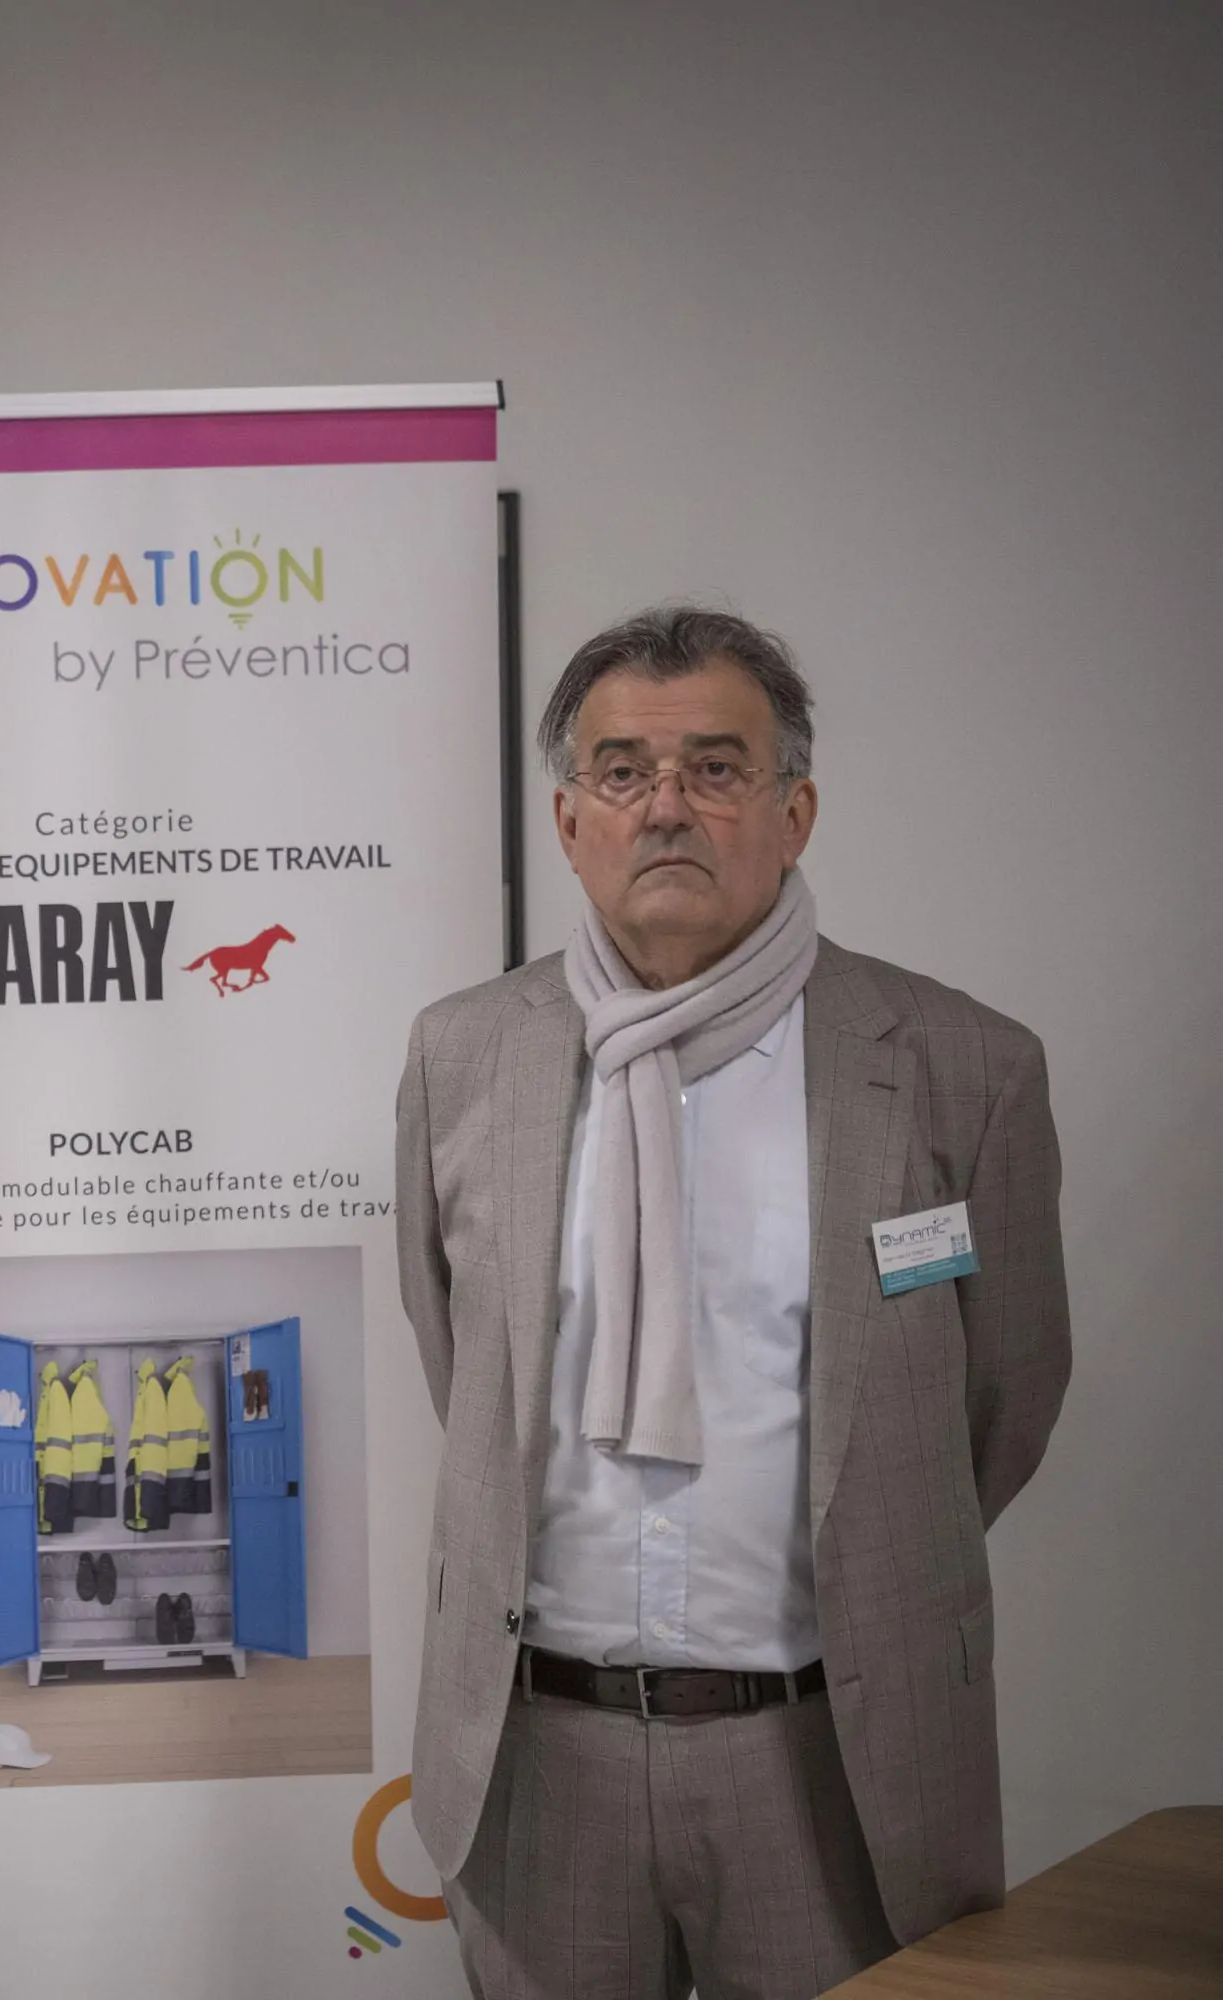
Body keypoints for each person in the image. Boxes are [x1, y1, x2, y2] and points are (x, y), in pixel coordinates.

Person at [394, 607, 1068, 1999]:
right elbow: (461, 1355)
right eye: (622, 772)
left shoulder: (961, 1067)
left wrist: (877, 1548)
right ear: (569, 821)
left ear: (794, 812)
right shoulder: (462, 1057)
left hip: (833, 1761)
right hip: (540, 1756)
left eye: (715, 768)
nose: (666, 808)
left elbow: (1000, 1402)